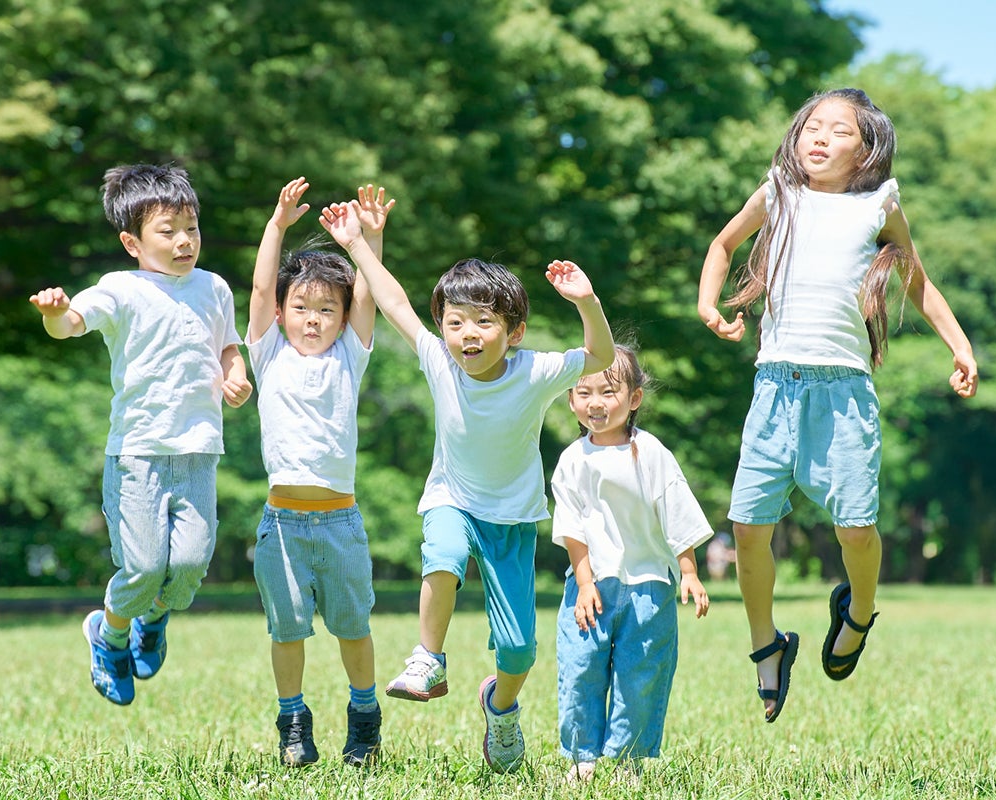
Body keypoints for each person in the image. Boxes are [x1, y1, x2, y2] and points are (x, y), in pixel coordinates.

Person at [696, 88, 979, 723]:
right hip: (774, 386)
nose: (820, 138)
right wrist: (709, 305)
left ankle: (858, 611)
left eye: (839, 131)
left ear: (866, 150)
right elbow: (722, 245)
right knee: (748, 527)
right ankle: (766, 645)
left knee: (855, 527)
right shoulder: (778, 192)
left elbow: (916, 281)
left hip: (844, 394)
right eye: (811, 127)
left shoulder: (879, 204)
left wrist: (960, 346)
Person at [320, 197, 616, 774]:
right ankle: (428, 657)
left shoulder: (536, 371)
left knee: (519, 650)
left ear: (514, 331)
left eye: (483, 322)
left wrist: (586, 301)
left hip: (512, 518)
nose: (467, 334)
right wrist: (356, 243)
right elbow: (393, 300)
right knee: (443, 556)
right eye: (455, 322)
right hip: (451, 498)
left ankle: (500, 708)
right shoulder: (438, 360)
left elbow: (600, 354)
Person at [28, 163, 253, 706]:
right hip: (137, 454)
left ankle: (152, 619)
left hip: (198, 449)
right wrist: (54, 313)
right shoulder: (120, 288)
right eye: (167, 231)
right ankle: (109, 635)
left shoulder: (215, 288)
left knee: (190, 565)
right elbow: (71, 324)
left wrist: (236, 373)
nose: (184, 241)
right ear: (132, 242)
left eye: (191, 228)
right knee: (145, 566)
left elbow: (227, 345)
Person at [244, 178, 393, 767]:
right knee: (287, 632)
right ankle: (293, 723)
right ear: (282, 314)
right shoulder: (268, 353)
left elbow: (369, 295)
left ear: (342, 318)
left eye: (327, 310)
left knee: (353, 628)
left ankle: (364, 717)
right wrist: (276, 225)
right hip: (282, 526)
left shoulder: (349, 357)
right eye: (301, 309)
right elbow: (261, 287)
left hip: (340, 525)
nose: (313, 320)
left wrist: (369, 240)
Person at [551, 344, 712, 782]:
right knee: (580, 669)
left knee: (641, 674)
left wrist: (689, 571)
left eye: (608, 392)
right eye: (584, 392)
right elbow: (572, 529)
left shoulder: (651, 452)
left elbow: (675, 510)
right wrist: (584, 582)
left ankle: (627, 758)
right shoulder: (572, 460)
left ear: (634, 397)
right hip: (590, 586)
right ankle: (582, 756)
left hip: (648, 586)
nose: (595, 403)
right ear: (571, 400)